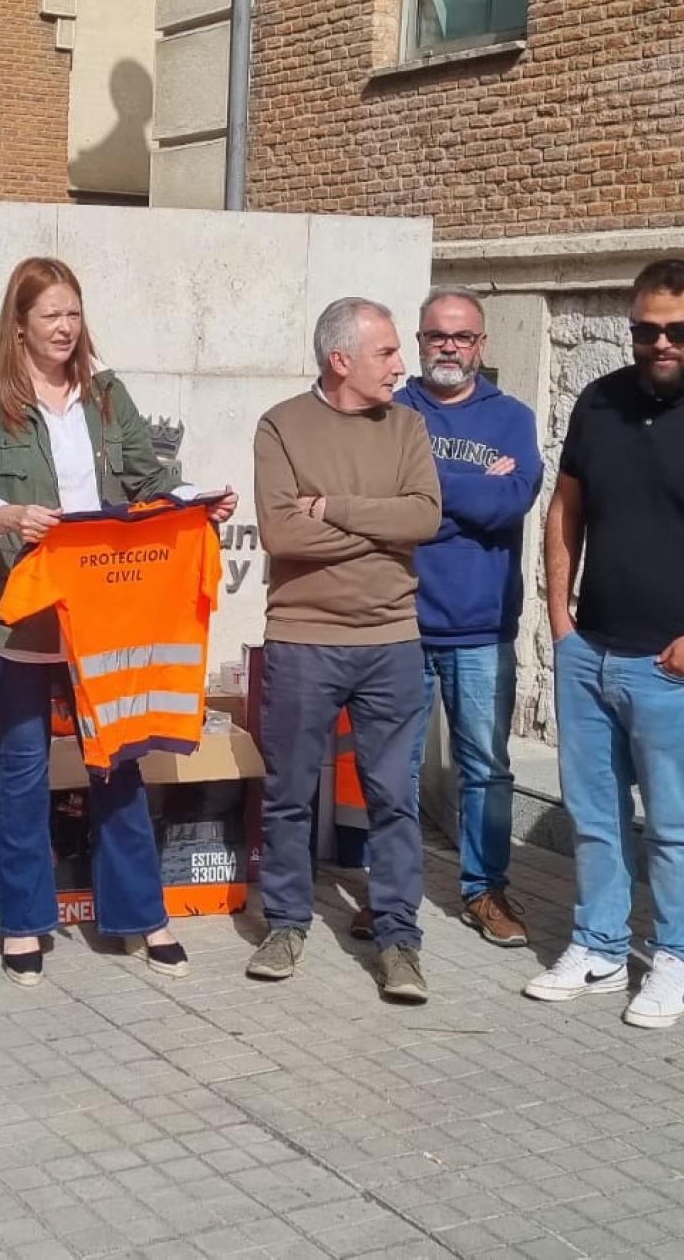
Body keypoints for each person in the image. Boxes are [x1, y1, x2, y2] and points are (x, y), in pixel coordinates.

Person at [0, 256, 237, 987]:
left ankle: (141, 917)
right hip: (16, 610)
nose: (66, 328)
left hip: (104, 613)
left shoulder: (106, 395)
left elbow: (150, 476)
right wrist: (7, 514)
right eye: (51, 316)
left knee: (119, 759)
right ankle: (23, 923)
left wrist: (197, 499)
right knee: (22, 768)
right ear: (19, 326)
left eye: (73, 314)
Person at [528, 259, 684, 1028]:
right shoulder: (600, 402)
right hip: (592, 650)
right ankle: (601, 945)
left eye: (678, 329)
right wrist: (561, 623)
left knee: (673, 820)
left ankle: (679, 960)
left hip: (681, 664)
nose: (661, 343)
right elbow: (563, 512)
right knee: (595, 812)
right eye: (646, 330)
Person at [247, 297, 441, 1000]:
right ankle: (287, 923)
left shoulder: (409, 426)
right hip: (303, 640)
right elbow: (282, 534)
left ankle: (398, 941)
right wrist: (378, 528)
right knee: (289, 794)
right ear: (341, 361)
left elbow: (424, 517)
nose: (402, 364)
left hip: (391, 640)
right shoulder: (282, 427)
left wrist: (336, 508)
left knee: (395, 800)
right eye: (387, 352)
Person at [386, 286, 542, 946]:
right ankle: (392, 892)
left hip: (481, 626)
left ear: (482, 345)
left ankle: (485, 892)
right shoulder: (390, 413)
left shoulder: (511, 417)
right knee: (393, 764)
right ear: (419, 342)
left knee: (485, 766)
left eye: (462, 336)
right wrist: (471, 494)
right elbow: (382, 504)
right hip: (399, 618)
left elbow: (512, 503)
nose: (448, 346)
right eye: (435, 336)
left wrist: (429, 495)